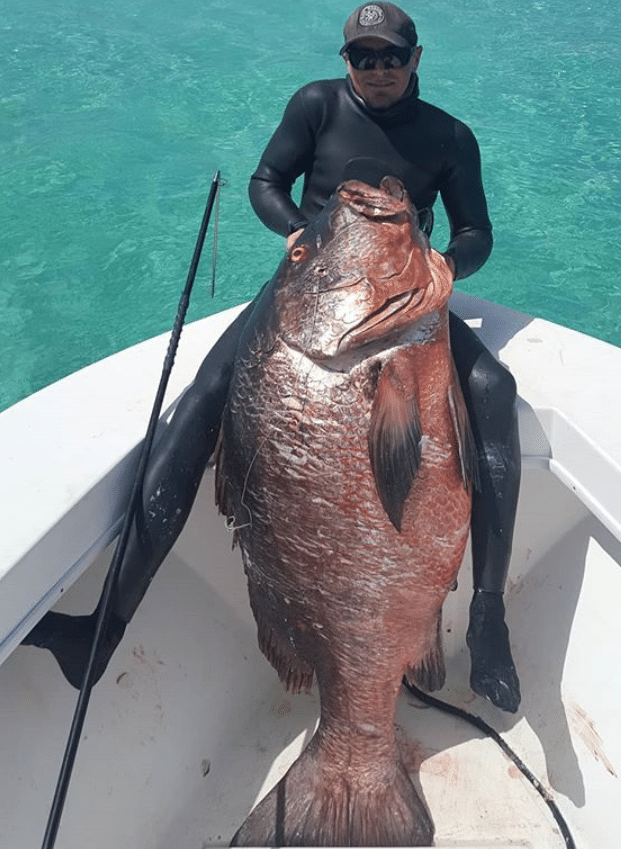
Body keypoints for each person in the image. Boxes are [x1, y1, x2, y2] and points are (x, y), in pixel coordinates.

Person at [23, 2, 521, 713]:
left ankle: (487, 615)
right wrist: (295, 235)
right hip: (310, 284)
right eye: (362, 57)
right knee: (200, 400)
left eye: (390, 57)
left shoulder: (447, 135)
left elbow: (477, 230)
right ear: (345, 61)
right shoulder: (316, 105)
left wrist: (443, 264)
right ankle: (104, 627)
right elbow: (266, 182)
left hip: (401, 297)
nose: (376, 71)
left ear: (416, 58)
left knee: (493, 389)